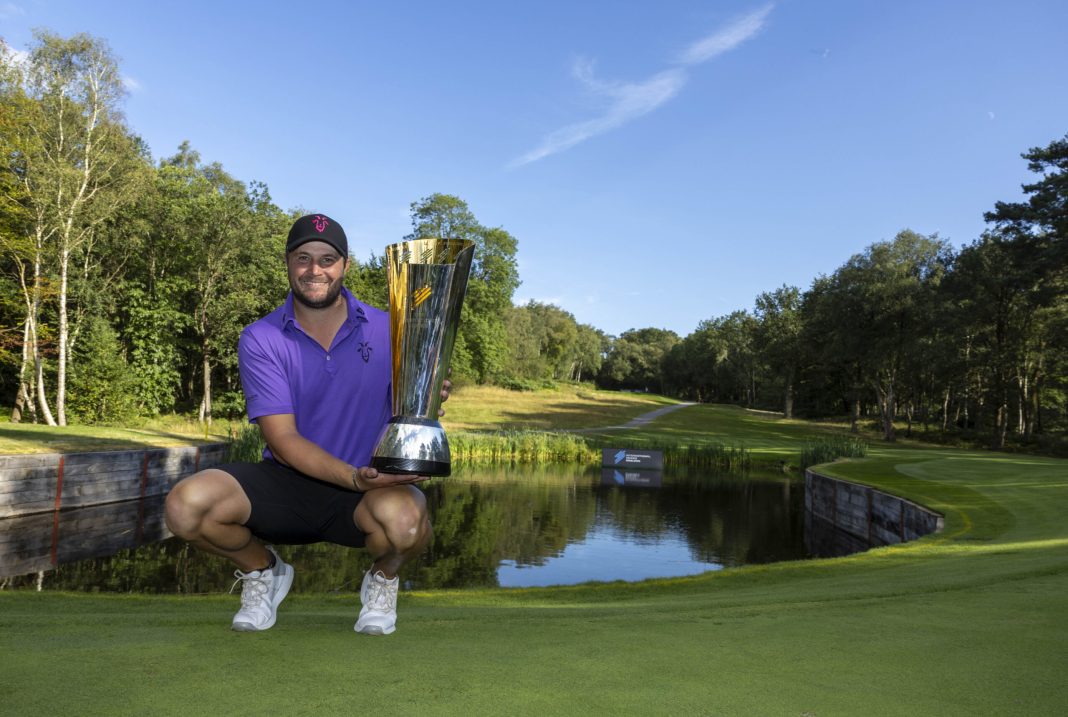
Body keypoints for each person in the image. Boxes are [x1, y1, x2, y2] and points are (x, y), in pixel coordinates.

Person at [165, 213, 444, 636]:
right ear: (288, 263)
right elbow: (283, 441)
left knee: (406, 524)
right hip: (289, 482)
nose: (315, 269)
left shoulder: (393, 329)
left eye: (327, 258)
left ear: (345, 265)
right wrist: (353, 478)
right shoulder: (261, 337)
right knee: (185, 507)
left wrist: (427, 399)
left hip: (370, 486)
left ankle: (384, 579)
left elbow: (407, 412)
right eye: (303, 258)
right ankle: (264, 572)